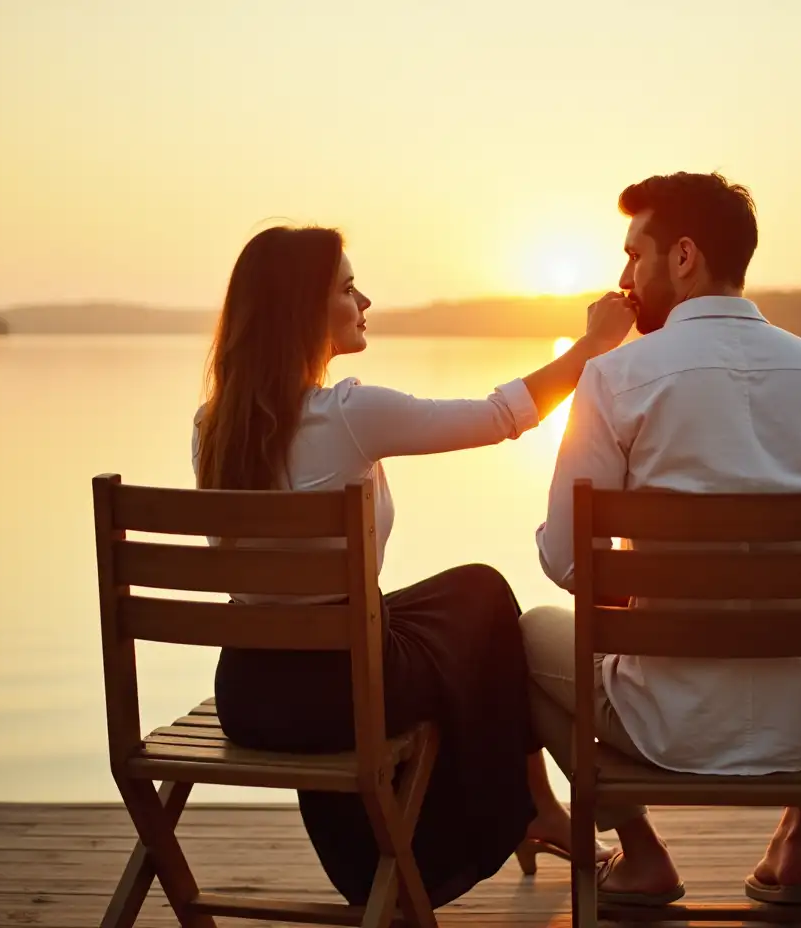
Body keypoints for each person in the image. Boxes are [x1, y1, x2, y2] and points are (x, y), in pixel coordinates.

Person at [190, 225, 633, 907]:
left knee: (463, 597)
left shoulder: (211, 425)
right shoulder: (349, 414)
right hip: (345, 695)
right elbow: (500, 416)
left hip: (249, 695)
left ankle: (536, 809)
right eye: (345, 288)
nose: (364, 300)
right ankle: (535, 809)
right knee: (486, 597)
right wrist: (593, 348)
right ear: (303, 310)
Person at [523, 172, 801, 906]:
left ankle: (638, 851)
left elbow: (565, 559)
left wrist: (648, 593)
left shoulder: (612, 379)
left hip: (659, 723)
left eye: (635, 255)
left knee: (521, 641)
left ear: (684, 257)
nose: (624, 276)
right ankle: (799, 841)